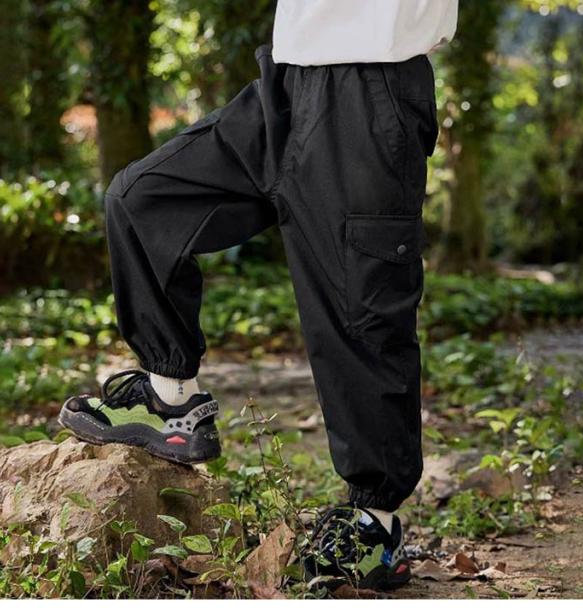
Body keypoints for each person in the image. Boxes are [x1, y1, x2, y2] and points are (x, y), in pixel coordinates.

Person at [60, 0, 459, 590]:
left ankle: (374, 524)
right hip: (287, 82)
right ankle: (171, 397)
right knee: (141, 200)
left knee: (360, 310)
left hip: (372, 92)